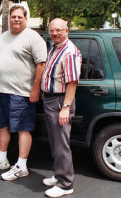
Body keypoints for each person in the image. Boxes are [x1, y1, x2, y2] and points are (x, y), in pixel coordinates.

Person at [0, 4, 47, 181]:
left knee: (22, 129)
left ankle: (21, 166)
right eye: (13, 16)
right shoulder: (3, 37)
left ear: (25, 18)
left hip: (21, 93)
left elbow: (41, 64)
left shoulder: (33, 38)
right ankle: (2, 159)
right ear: (9, 18)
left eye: (20, 16)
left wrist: (35, 89)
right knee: (1, 125)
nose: (16, 19)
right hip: (1, 91)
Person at [41, 18, 81, 198]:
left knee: (61, 144)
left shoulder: (69, 52)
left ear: (67, 30)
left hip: (59, 102)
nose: (55, 33)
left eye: (58, 30)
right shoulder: (56, 47)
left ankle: (65, 184)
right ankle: (59, 175)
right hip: (51, 100)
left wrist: (65, 107)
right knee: (55, 142)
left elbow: (72, 82)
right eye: (52, 30)